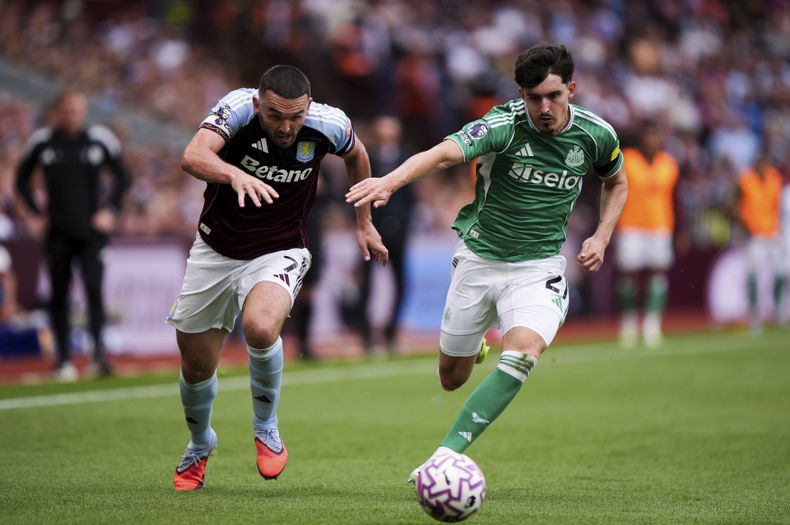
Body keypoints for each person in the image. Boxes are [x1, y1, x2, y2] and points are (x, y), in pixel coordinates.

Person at [346, 43, 628, 476]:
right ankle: (474, 344)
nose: (545, 108)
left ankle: (445, 455)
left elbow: (617, 182)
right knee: (451, 379)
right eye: (534, 98)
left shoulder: (597, 135)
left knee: (523, 353)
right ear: (521, 95)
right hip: (480, 260)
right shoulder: (502, 125)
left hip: (539, 267)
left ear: (572, 88)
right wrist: (391, 181)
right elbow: (441, 154)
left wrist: (602, 235)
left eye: (554, 95)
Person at [166, 65, 388, 491]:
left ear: (308, 107)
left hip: (280, 248)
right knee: (196, 366)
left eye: (295, 117)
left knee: (261, 326)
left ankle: (266, 427)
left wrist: (364, 221)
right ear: (257, 105)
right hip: (215, 249)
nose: (286, 127)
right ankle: (200, 442)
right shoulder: (235, 109)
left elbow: (358, 156)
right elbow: (192, 155)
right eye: (274, 116)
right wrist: (233, 173)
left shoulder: (329, 123)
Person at [15, 90, 129, 381]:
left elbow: (124, 177)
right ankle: (63, 360)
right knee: (59, 296)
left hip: (91, 234)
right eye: (67, 110)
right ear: (57, 111)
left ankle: (98, 357)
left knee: (94, 291)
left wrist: (110, 210)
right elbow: (21, 180)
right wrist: (35, 215)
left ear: (84, 111)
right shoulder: (42, 142)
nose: (72, 116)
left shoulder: (99, 138)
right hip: (57, 234)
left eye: (77, 110)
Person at [346, 115, 415, 353]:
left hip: (399, 233)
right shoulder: (368, 157)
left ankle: (390, 332)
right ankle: (366, 335)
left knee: (402, 283)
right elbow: (355, 188)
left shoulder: (406, 156)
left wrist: (406, 222)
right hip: (372, 229)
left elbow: (412, 194)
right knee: (366, 284)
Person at [615, 122, 679, 348]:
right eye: (650, 135)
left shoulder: (669, 163)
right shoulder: (628, 159)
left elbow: (675, 198)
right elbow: (612, 187)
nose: (653, 140)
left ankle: (652, 324)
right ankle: (629, 322)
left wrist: (680, 230)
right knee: (629, 273)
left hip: (660, 224)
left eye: (656, 136)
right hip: (631, 223)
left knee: (658, 272)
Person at [735, 153, 785, 333]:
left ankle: (779, 311)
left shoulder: (775, 178)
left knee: (780, 271)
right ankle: (755, 315)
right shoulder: (746, 180)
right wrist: (743, 223)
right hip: (754, 234)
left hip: (772, 232)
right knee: (753, 274)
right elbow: (735, 203)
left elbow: (778, 205)